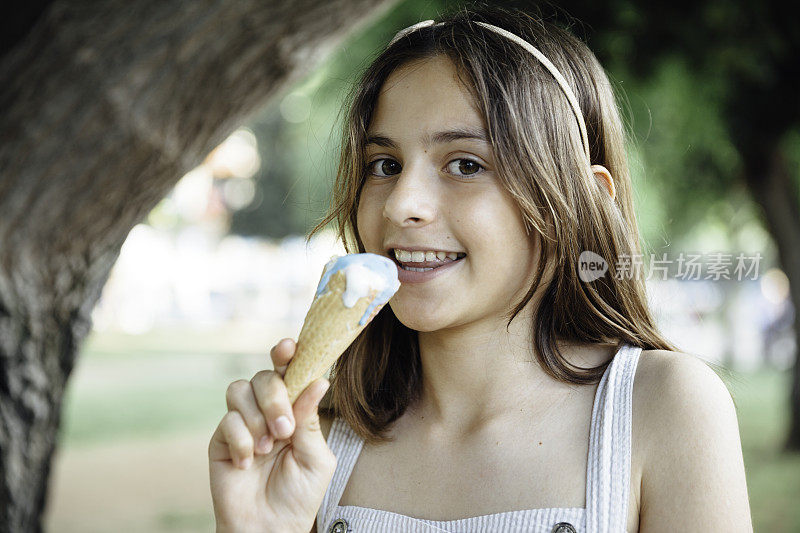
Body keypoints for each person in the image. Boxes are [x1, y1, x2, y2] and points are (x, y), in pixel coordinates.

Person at [208, 5, 753, 532]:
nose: (401, 204)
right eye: (385, 165)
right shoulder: (317, 438)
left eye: (466, 164)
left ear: (583, 202)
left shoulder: (665, 408)